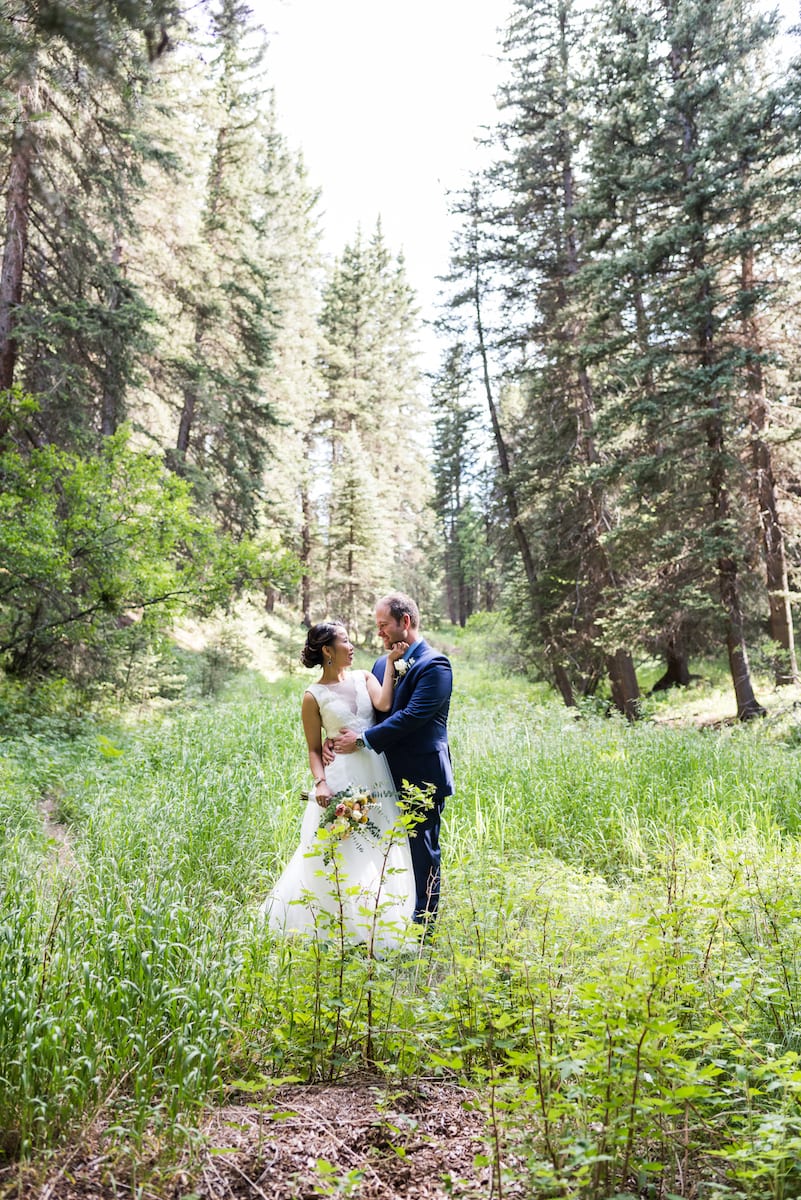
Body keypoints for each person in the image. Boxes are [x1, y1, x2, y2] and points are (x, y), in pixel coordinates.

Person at [263, 621, 416, 952]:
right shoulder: (312, 695)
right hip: (340, 781)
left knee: (379, 846)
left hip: (375, 775)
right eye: (344, 641)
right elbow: (314, 749)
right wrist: (320, 783)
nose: (351, 646)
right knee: (339, 851)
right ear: (328, 651)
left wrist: (390, 663)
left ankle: (378, 924)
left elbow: (385, 705)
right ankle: (337, 927)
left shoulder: (364, 676)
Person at [331, 593, 453, 925]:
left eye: (384, 625)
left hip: (421, 776)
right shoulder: (380, 665)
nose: (380, 633)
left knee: (421, 853)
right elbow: (370, 713)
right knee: (368, 846)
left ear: (406, 622)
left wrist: (361, 739)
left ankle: (422, 929)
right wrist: (336, 741)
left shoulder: (435, 665)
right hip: (378, 776)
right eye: (378, 626)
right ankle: (378, 920)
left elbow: (412, 716)